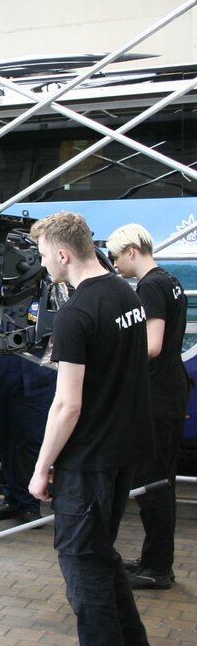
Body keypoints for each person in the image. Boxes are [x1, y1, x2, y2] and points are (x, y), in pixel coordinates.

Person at [28, 212, 155, 646]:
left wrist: (41, 469)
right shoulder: (127, 295)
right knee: (101, 552)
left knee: (82, 563)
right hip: (125, 450)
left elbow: (68, 403)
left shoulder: (76, 314)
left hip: (91, 458)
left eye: (43, 257)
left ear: (63, 254)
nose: (43, 266)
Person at [106, 223, 190, 590]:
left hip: (157, 395)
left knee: (153, 482)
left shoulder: (151, 285)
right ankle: (155, 558)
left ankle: (157, 568)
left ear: (131, 251)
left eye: (115, 256)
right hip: (172, 389)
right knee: (162, 480)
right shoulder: (170, 281)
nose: (115, 265)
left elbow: (152, 345)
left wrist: (115, 355)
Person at [0, 353, 55, 523]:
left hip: (34, 368)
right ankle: (13, 499)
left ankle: (30, 504)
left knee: (30, 440)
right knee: (4, 438)